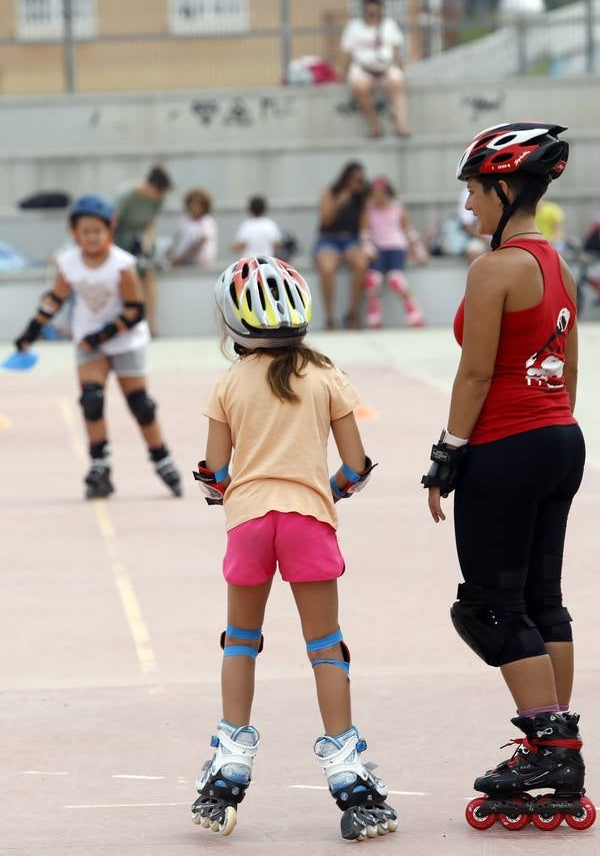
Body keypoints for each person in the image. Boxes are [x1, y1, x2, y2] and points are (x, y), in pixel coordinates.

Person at [421, 123, 595, 832]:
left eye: (473, 191)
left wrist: (449, 451)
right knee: (542, 600)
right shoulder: (555, 264)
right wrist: (550, 431)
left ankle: (549, 749)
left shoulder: (494, 270)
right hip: (560, 437)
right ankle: (557, 748)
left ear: (504, 187)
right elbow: (570, 367)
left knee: (490, 608)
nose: (469, 206)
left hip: (508, 442)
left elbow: (476, 369)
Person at [190, 255, 397, 842]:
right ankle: (350, 778)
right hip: (310, 521)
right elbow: (356, 466)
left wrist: (235, 496)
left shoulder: (229, 381)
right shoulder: (327, 374)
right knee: (326, 647)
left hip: (250, 522)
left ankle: (230, 762)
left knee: (241, 641)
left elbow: (213, 470)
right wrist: (324, 494)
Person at [12, 194, 182, 500]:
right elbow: (54, 299)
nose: (90, 237)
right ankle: (99, 466)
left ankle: (162, 459)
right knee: (91, 400)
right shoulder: (68, 263)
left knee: (141, 404)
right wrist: (30, 332)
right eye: (84, 231)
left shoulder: (122, 265)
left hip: (125, 339)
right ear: (75, 233)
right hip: (90, 340)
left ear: (110, 230)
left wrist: (100, 336)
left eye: (96, 231)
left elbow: (135, 312)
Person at [114, 165, 173, 335]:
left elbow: (150, 224)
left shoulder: (158, 200)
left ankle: (150, 326)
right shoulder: (125, 196)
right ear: (151, 187)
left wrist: (146, 244)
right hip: (120, 243)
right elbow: (112, 224)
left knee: (148, 274)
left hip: (139, 244)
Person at [340, 0, 409, 138]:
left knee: (397, 82)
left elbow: (396, 51)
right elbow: (347, 54)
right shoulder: (354, 27)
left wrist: (402, 70)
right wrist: (342, 75)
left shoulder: (389, 25)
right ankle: (374, 126)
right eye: (368, 12)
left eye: (374, 12)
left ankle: (401, 126)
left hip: (385, 68)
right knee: (360, 86)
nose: (371, 15)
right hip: (363, 69)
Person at [314, 162, 371, 330]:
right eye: (356, 179)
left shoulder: (361, 198)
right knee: (327, 269)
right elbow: (325, 220)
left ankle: (352, 314)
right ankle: (329, 316)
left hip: (351, 240)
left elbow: (364, 226)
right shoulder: (331, 191)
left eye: (361, 180)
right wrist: (340, 201)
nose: (358, 183)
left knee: (361, 264)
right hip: (328, 239)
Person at [365, 176, 426, 328]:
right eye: (375, 193)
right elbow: (365, 232)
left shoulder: (397, 207)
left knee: (395, 279)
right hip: (378, 249)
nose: (378, 196)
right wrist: (368, 247)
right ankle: (374, 315)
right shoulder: (368, 209)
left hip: (396, 246)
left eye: (381, 192)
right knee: (373, 279)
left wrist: (418, 249)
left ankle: (414, 312)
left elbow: (408, 229)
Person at [166, 188, 218, 267]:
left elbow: (199, 244)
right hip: (182, 262)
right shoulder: (184, 220)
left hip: (201, 264)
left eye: (198, 204)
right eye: (192, 203)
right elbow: (177, 238)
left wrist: (181, 259)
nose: (195, 207)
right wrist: (170, 253)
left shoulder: (207, 222)